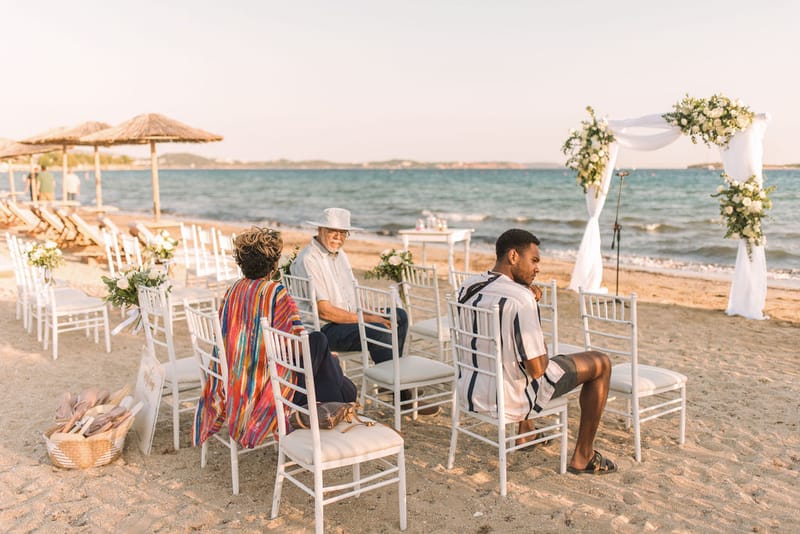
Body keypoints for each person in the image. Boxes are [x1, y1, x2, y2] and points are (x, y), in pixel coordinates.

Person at [457, 228, 617, 475]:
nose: (537, 268)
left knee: (515, 359)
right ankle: (584, 456)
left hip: (472, 387)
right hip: (510, 397)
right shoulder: (521, 299)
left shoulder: (468, 286)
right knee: (601, 362)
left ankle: (526, 433)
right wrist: (532, 312)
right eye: (533, 260)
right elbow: (538, 369)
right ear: (513, 256)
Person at [193, 226, 357, 449]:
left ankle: (338, 395)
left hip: (237, 375)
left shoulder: (232, 291)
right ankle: (336, 402)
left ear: (242, 263)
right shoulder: (276, 293)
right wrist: (326, 356)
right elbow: (297, 347)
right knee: (320, 344)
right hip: (268, 382)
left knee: (332, 365)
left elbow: (222, 335)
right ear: (273, 265)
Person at [292, 207, 438, 415]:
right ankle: (402, 396)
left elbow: (350, 295)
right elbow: (325, 311)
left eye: (343, 233)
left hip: (346, 318)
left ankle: (389, 378)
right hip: (323, 330)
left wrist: (371, 310)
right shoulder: (309, 259)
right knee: (379, 329)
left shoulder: (339, 255)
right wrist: (368, 318)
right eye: (334, 231)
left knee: (398, 316)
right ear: (320, 229)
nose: (338, 237)